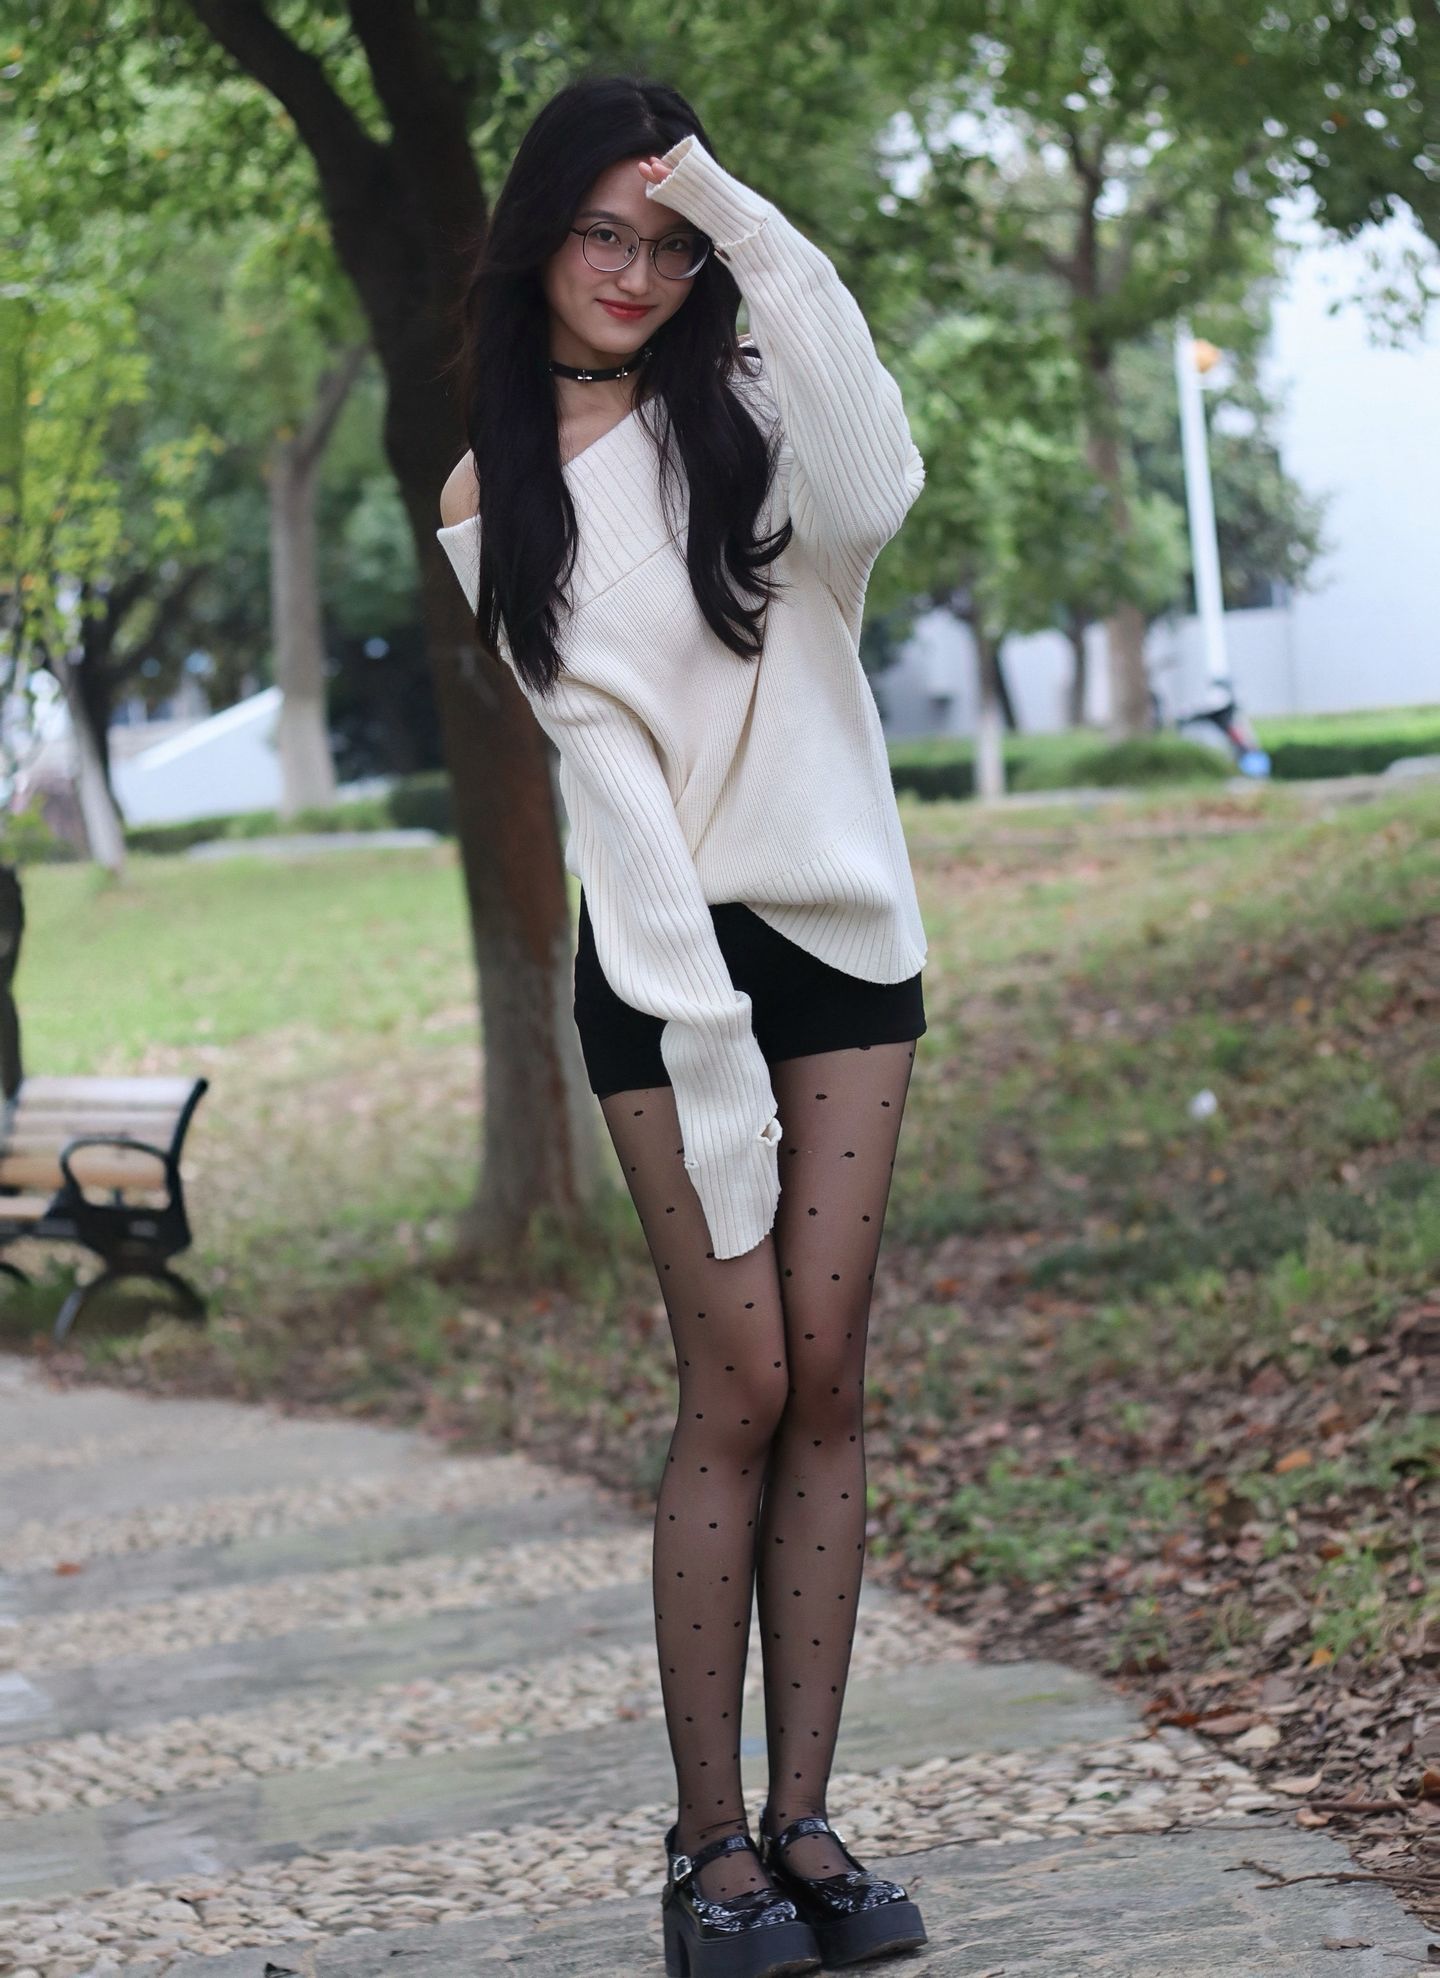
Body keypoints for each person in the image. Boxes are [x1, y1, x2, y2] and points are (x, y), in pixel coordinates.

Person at [437, 70, 931, 1977]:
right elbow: (614, 790)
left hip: (845, 935)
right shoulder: (495, 490)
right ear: (540, 238)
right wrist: (711, 1054)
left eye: (667, 240)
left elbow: (880, 485)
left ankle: (807, 1822)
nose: (634, 272)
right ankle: (707, 1845)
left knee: (831, 1374)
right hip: (665, 966)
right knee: (738, 1380)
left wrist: (736, 210)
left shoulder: (752, 402)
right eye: (602, 232)